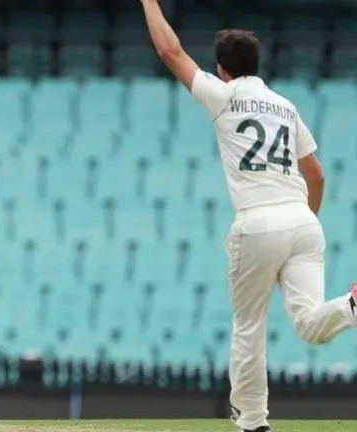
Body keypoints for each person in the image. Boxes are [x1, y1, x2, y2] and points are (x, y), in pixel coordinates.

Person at [139, 2, 357, 431]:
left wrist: (149, 2)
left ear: (222, 70)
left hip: (258, 223)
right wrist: (301, 220)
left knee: (249, 327)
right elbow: (315, 174)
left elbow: (170, 52)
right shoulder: (285, 106)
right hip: (302, 221)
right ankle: (353, 305)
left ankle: (253, 422)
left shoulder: (223, 97)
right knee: (312, 323)